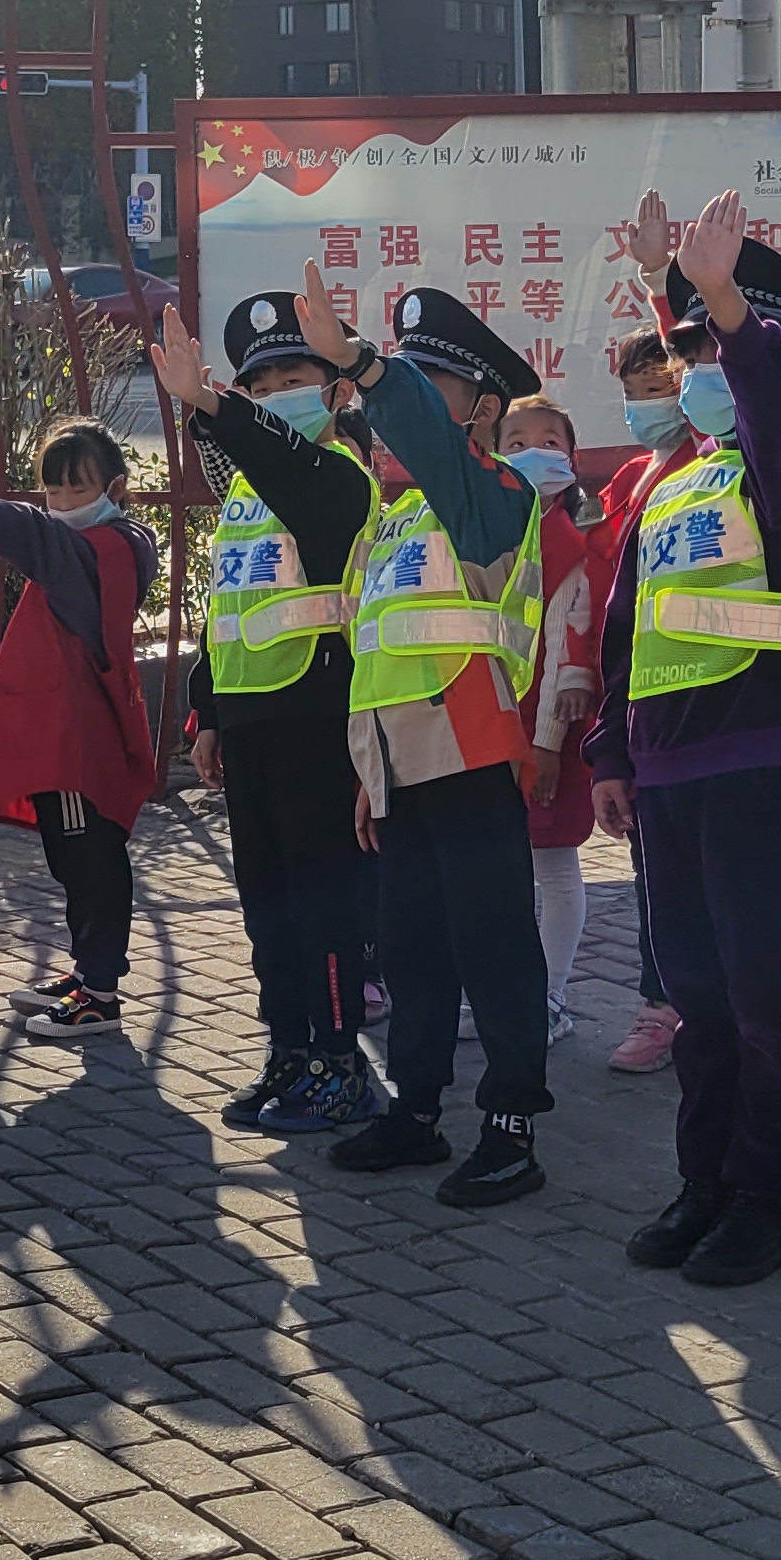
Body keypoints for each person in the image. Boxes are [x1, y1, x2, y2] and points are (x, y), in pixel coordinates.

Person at [592, 192, 781, 1287]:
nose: (700, 366)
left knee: (765, 997)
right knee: (698, 999)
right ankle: (703, 1179)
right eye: (692, 350)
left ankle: (767, 1194)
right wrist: (612, 755)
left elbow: (772, 418)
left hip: (762, 763)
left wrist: (724, 304)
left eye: (720, 349)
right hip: (667, 776)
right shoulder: (671, 488)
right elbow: (628, 628)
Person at [297, 271, 558, 1206]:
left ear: (482, 410)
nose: (394, 403)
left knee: (495, 951)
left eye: (424, 382)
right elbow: (378, 651)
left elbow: (434, 450)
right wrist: (370, 776)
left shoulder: (491, 491)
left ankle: (512, 1126)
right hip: (401, 770)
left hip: (473, 757)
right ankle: (415, 1110)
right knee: (411, 952)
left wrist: (367, 365)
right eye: (398, 379)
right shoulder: (394, 516)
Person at [156, 293, 383, 1131]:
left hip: (319, 718)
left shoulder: (340, 476)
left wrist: (214, 407)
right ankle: (289, 1051)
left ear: (337, 391)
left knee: (323, 905)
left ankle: (340, 1064)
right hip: (252, 722)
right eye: (258, 385)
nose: (275, 396)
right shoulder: (246, 497)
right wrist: (209, 712)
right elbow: (228, 606)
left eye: (293, 379)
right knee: (268, 904)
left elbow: (289, 468)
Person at [0, 417, 163, 1045]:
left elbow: (42, 539)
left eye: (79, 489)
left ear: (115, 489)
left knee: (89, 859)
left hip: (79, 737)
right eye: (53, 491)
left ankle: (100, 993)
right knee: (72, 856)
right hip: (61, 731)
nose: (64, 503)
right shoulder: (89, 545)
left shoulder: (110, 547)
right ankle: (88, 974)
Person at [598, 316, 714, 1075]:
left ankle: (702, 1007)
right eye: (635, 393)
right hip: (645, 707)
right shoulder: (630, 483)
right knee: (657, 876)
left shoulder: (712, 465)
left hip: (715, 709)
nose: (648, 406)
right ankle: (660, 1001)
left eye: (661, 389)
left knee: (713, 877)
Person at [499, 393, 617, 1038]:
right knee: (498, 867)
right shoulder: (488, 532)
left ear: (572, 458)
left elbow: (566, 641)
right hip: (489, 725)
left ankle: (549, 995)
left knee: (553, 865)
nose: (533, 454)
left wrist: (545, 743)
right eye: (516, 444)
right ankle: (502, 993)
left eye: (549, 442)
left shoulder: (570, 542)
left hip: (543, 731)